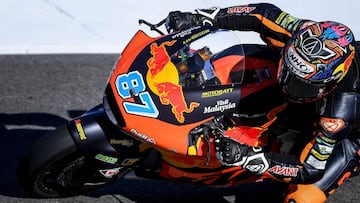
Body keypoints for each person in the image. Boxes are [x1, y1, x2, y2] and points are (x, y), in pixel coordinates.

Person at [165, 3, 360, 203]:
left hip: (350, 136)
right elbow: (262, 14)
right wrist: (205, 19)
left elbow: (310, 169)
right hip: (317, 98)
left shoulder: (338, 115)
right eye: (288, 72)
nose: (289, 85)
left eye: (301, 85)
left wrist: (254, 158)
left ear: (331, 81)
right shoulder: (304, 33)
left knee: (300, 199)